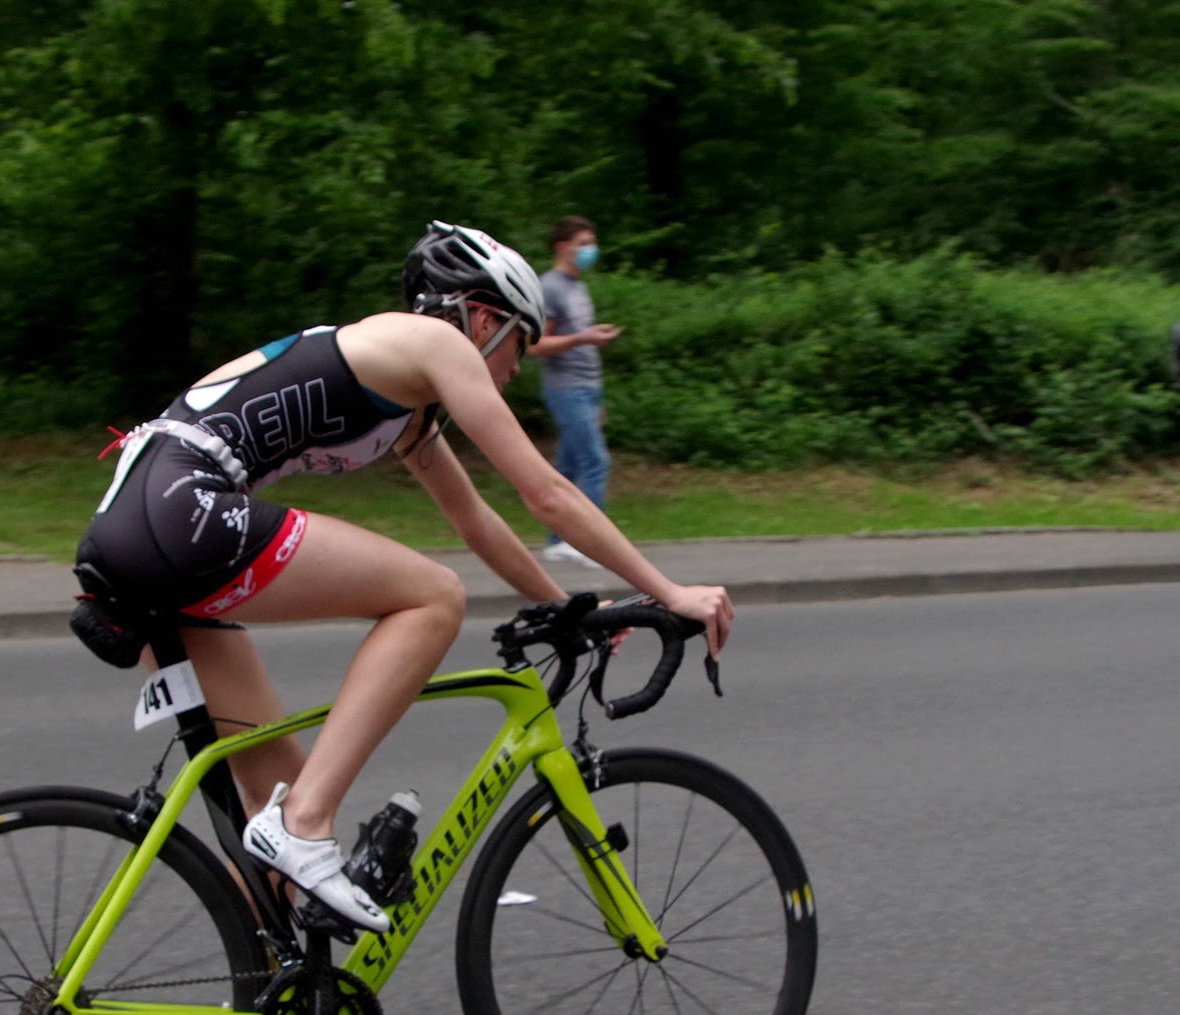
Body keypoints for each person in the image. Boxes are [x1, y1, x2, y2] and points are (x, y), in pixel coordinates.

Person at [74, 220, 732, 937]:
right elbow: (548, 494)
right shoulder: (435, 342)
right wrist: (669, 591)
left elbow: (475, 519)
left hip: (136, 527)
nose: (518, 367)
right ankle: (308, 824)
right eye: (520, 341)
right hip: (182, 512)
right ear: (481, 317)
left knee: (273, 793)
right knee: (432, 596)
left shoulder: (407, 402)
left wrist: (568, 607)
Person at [528, 216, 622, 568]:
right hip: (566, 389)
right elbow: (535, 345)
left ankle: (557, 542)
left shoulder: (577, 285)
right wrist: (584, 337)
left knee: (567, 466)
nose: (589, 250)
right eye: (583, 243)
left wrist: (597, 397)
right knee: (596, 462)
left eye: (591, 243)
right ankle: (590, 544)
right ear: (562, 247)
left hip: (587, 388)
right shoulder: (549, 287)